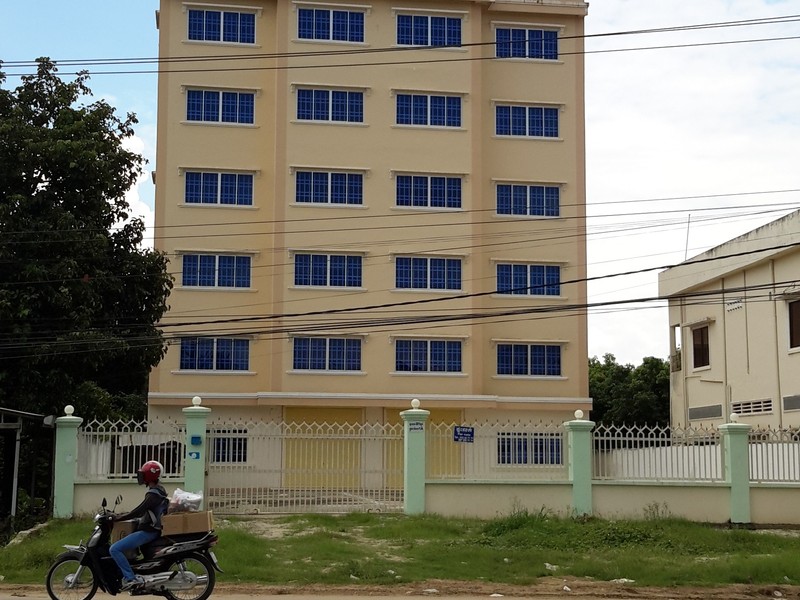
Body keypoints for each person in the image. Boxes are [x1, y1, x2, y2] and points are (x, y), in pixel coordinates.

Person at [109, 460, 169, 590]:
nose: (140, 477)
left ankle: (131, 579)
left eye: (143, 474)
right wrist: (123, 515)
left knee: (114, 549)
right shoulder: (159, 490)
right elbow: (143, 511)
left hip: (148, 532)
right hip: (152, 529)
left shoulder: (153, 494)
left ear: (150, 475)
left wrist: (119, 517)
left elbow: (139, 511)